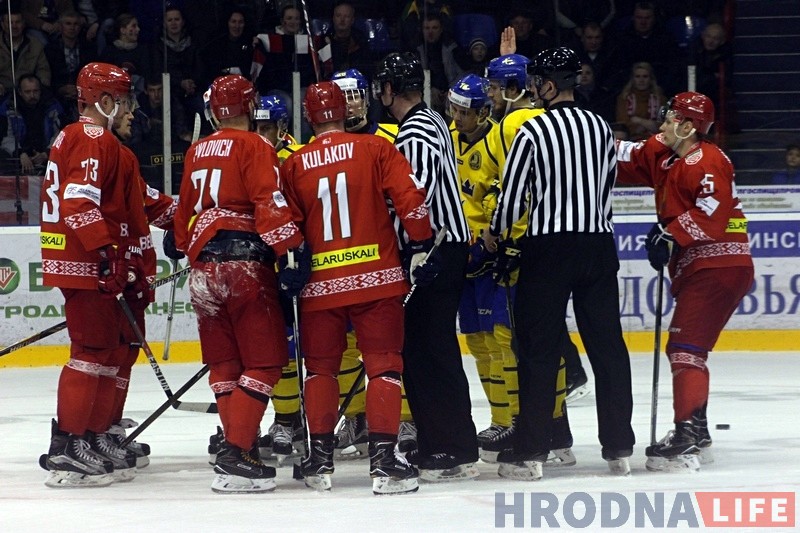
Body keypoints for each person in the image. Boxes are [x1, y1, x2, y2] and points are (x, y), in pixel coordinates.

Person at [487, 47, 635, 481]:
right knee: (608, 346)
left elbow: (513, 197)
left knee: (538, 349)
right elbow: (608, 182)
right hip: (597, 245)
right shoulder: (601, 128)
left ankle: (531, 452)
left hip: (549, 248)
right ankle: (618, 445)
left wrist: (495, 231)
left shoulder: (533, 130)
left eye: (537, 82)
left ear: (548, 85)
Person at [281, 80, 431, 495]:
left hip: (320, 286)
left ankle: (319, 460)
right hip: (377, 278)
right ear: (344, 113)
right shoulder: (376, 148)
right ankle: (384, 462)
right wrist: (421, 241)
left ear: (310, 118)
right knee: (384, 365)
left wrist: (289, 260)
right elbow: (410, 197)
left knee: (321, 370)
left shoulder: (294, 164)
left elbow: (286, 224)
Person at [172, 74, 307, 494]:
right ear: (249, 108)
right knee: (266, 362)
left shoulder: (197, 149)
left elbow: (184, 214)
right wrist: (291, 249)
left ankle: (241, 452)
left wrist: (181, 242)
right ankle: (235, 452)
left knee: (226, 365)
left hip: (202, 270)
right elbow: (269, 201)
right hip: (243, 265)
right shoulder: (256, 145)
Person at [616, 92, 755, 472]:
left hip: (720, 266)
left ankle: (688, 435)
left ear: (688, 125)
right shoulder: (668, 159)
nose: (661, 126)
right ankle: (698, 431)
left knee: (685, 349)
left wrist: (670, 233)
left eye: (669, 119)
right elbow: (626, 157)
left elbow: (713, 209)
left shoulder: (706, 159)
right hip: (705, 267)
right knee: (686, 348)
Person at [372, 52, 479, 482]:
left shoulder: (413, 134)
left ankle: (451, 447)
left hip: (431, 253)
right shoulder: (432, 120)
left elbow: (413, 201)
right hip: (445, 249)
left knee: (428, 351)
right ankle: (446, 441)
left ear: (391, 89)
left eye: (383, 85)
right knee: (432, 350)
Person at [39, 62, 143, 487]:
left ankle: (89, 437)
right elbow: (78, 202)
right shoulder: (93, 136)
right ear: (103, 101)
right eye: (122, 99)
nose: (127, 107)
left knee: (103, 350)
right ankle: (68, 446)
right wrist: (104, 252)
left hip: (78, 256)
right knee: (90, 353)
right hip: (83, 258)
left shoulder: (75, 135)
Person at [482, 52, 580, 465]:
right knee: (535, 340)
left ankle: (541, 427)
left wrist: (505, 236)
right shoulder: (531, 118)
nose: (488, 93)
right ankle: (557, 430)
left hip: (524, 245)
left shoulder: (515, 124)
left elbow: (513, 189)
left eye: (494, 85)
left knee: (526, 344)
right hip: (540, 240)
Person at [0, 74, 64, 175]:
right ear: (20, 92)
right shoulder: (9, 107)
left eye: (35, 91)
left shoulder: (52, 106)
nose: (32, 96)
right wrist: (20, 154)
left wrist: (47, 153)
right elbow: (6, 137)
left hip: (48, 154)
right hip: (17, 157)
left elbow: (59, 134)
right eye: (27, 92)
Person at [44, 10, 98, 124]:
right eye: (68, 24)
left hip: (84, 93)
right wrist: (60, 89)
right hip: (57, 93)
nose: (72, 27)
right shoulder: (50, 49)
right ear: (60, 26)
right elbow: (48, 74)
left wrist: (80, 89)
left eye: (75, 24)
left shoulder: (89, 48)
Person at [416, 12, 463, 116]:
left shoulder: (452, 48)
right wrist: (429, 89)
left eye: (434, 28)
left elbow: (462, 74)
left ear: (441, 29)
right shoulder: (417, 50)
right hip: (428, 94)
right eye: (427, 28)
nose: (430, 32)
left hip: (451, 93)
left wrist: (451, 91)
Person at [0, 7, 52, 98]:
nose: (14, 26)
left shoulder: (36, 44)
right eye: (10, 23)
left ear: (24, 24)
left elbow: (43, 70)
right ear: (3, 25)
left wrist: (38, 88)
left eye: (18, 22)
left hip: (28, 95)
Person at [615, 61, 667, 141]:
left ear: (651, 79)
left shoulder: (660, 98)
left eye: (645, 76)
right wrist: (649, 124)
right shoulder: (624, 98)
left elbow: (663, 125)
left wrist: (639, 120)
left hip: (656, 140)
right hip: (630, 140)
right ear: (633, 79)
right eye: (637, 76)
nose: (641, 80)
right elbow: (623, 124)